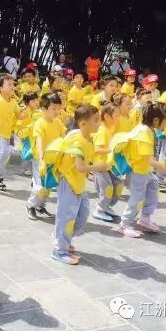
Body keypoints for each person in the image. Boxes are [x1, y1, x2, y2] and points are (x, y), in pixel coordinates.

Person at [49, 104, 108, 265]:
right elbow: (80, 167)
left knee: (82, 215)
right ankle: (59, 250)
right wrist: (99, 167)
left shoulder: (87, 137)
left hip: (79, 183)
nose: (99, 123)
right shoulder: (77, 141)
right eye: (96, 120)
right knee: (66, 217)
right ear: (83, 124)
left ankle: (63, 240)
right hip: (68, 181)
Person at [119, 102, 166, 238]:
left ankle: (145, 218)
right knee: (137, 198)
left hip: (144, 170)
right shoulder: (144, 133)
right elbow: (151, 160)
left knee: (153, 187)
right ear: (156, 120)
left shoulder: (146, 129)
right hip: (137, 171)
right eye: (165, 121)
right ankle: (125, 224)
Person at [26, 93, 65, 219]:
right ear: (44, 109)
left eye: (58, 108)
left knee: (48, 184)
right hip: (40, 158)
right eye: (54, 109)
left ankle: (41, 205)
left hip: (54, 158)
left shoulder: (57, 122)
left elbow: (63, 137)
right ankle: (31, 205)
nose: (57, 111)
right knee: (39, 185)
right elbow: (39, 141)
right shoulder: (40, 123)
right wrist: (42, 159)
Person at [91, 103, 121, 222]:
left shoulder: (110, 128)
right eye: (116, 115)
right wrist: (112, 149)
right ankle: (99, 210)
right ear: (107, 116)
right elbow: (96, 149)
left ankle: (106, 206)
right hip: (100, 165)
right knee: (107, 189)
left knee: (117, 185)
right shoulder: (101, 130)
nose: (119, 118)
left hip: (109, 164)